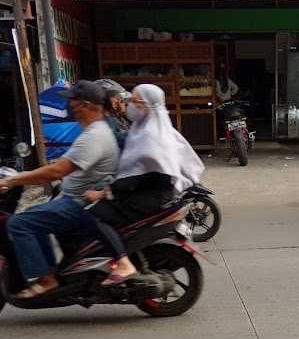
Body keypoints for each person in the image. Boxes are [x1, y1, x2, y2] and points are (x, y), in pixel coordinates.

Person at [1, 80, 119, 298]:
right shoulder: (92, 131)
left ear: (84, 105)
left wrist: (14, 180)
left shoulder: (94, 136)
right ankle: (51, 271)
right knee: (32, 218)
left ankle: (46, 278)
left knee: (18, 223)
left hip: (79, 204)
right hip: (75, 199)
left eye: (73, 101)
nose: (69, 105)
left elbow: (57, 171)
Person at [84, 83, 204, 285]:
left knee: (92, 215)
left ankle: (123, 263)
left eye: (134, 101)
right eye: (129, 100)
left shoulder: (150, 134)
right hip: (152, 194)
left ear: (146, 105)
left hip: (146, 198)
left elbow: (139, 177)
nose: (129, 104)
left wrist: (105, 192)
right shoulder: (149, 127)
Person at [95, 79, 130, 151]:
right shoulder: (106, 122)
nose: (125, 104)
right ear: (111, 101)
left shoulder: (118, 118)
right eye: (121, 100)